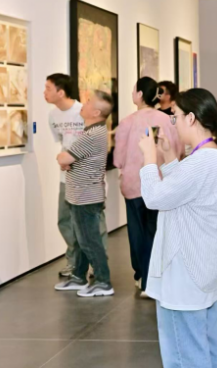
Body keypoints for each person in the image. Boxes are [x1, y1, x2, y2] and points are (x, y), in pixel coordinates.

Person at [139, 88, 217, 365]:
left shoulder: (199, 163)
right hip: (205, 265)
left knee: (185, 355)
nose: (174, 123)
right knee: (208, 345)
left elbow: (156, 198)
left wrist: (149, 160)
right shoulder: (215, 156)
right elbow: (184, 194)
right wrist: (169, 158)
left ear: (191, 118)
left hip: (185, 273)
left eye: (176, 116)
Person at [113, 77, 182, 294]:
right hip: (161, 182)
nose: (132, 93)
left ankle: (141, 274)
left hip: (133, 184)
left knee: (136, 231)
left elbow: (118, 159)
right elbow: (177, 150)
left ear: (140, 94)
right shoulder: (168, 120)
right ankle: (153, 278)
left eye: (134, 90)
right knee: (155, 230)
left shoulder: (126, 122)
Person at [54, 91, 115, 297]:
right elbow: (70, 160)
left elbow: (65, 158)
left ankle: (103, 282)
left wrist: (64, 159)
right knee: (81, 240)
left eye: (88, 102)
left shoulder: (92, 135)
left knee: (89, 241)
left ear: (96, 112)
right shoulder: (92, 131)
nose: (83, 104)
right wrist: (67, 160)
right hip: (80, 195)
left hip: (85, 197)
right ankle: (79, 276)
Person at [45, 73, 85, 278]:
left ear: (61, 92)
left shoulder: (83, 112)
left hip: (85, 177)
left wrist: (74, 160)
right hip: (65, 177)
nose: (44, 92)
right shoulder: (53, 116)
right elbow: (62, 141)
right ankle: (75, 261)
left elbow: (92, 144)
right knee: (64, 220)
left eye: (48, 88)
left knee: (90, 223)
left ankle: (95, 263)